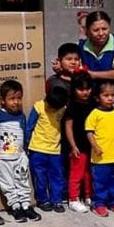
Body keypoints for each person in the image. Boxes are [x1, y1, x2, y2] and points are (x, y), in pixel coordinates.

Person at [0, 80, 41, 223]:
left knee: (23, 181)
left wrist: (25, 153)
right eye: (12, 99)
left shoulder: (22, 116)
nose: (16, 102)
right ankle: (15, 207)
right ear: (3, 101)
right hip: (3, 159)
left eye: (19, 98)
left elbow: (24, 135)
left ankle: (26, 206)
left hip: (19, 156)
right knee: (7, 184)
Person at [85, 81, 114, 217]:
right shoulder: (95, 114)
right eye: (106, 95)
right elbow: (89, 132)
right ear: (97, 97)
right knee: (100, 183)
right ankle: (99, 204)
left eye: (113, 95)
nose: (110, 98)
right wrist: (95, 146)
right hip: (100, 158)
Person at [26, 85, 69, 213]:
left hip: (55, 150)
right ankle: (42, 200)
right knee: (40, 177)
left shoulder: (63, 108)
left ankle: (56, 200)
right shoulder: (38, 106)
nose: (50, 109)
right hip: (37, 149)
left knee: (57, 176)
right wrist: (27, 145)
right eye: (49, 106)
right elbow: (29, 127)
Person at [79, 11, 114, 108]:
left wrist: (93, 75)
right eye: (96, 30)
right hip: (91, 99)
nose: (101, 33)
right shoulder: (81, 46)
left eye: (104, 29)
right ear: (87, 30)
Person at [63, 70, 95, 213]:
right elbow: (68, 127)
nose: (85, 92)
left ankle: (88, 196)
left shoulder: (93, 103)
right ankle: (73, 199)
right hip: (78, 146)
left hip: (91, 146)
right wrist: (73, 145)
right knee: (76, 174)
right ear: (74, 89)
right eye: (81, 89)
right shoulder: (72, 106)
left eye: (87, 88)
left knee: (89, 173)